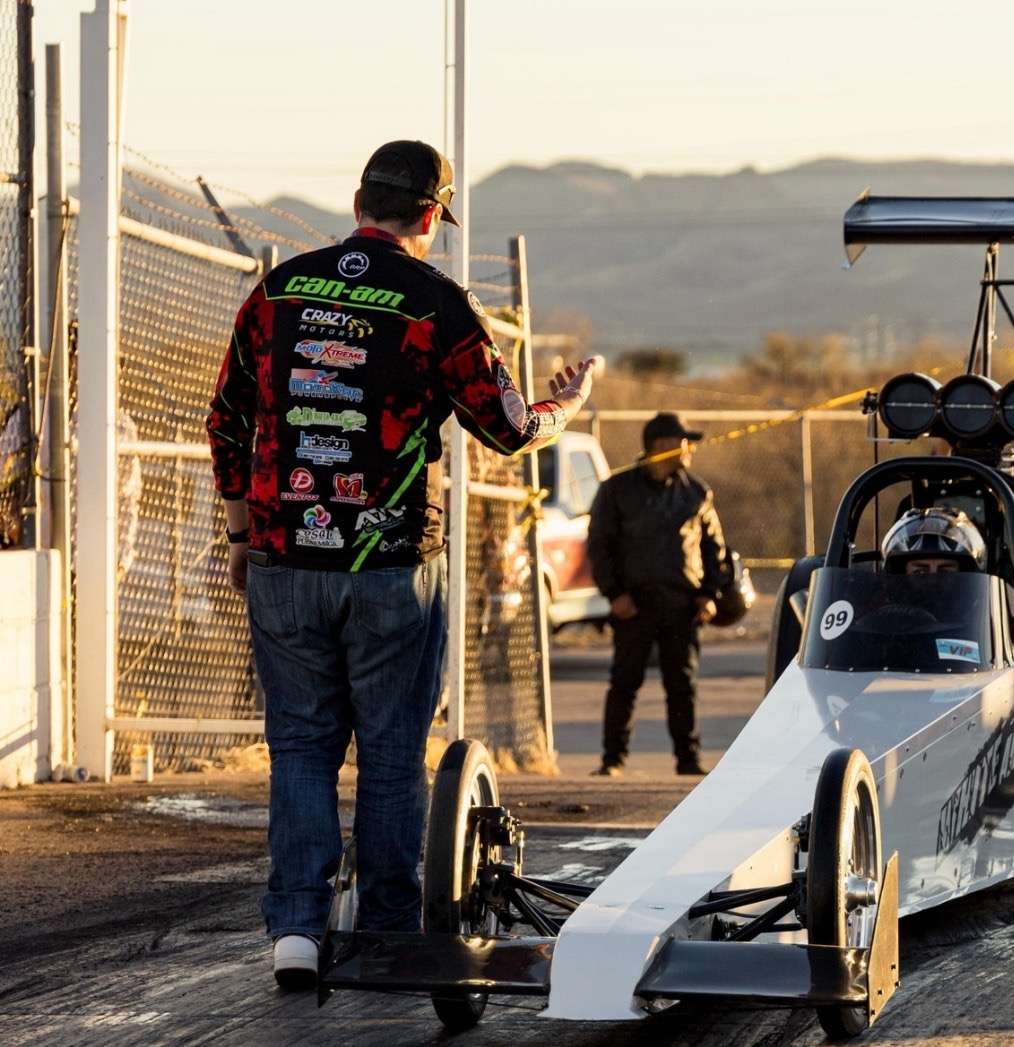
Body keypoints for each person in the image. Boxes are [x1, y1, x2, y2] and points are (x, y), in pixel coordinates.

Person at [205, 140, 598, 991]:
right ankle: (384, 930)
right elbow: (508, 425)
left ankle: (298, 932)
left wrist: (242, 537)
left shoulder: (279, 290)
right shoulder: (433, 301)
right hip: (390, 562)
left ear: (356, 202)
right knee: (389, 752)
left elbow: (227, 417)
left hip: (281, 555)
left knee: (301, 745)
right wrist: (567, 402)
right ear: (430, 216)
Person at [587, 412, 727, 777]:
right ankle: (612, 760)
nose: (688, 449)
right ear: (661, 446)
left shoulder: (697, 492)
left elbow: (715, 549)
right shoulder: (617, 490)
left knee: (682, 685)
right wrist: (614, 594)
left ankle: (688, 759)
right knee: (625, 683)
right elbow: (600, 546)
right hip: (634, 605)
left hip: (683, 607)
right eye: (682, 442)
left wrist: (709, 593)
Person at [882, 506, 986, 575]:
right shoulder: (880, 608)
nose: (933, 582)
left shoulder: (984, 608)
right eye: (921, 573)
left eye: (944, 573)